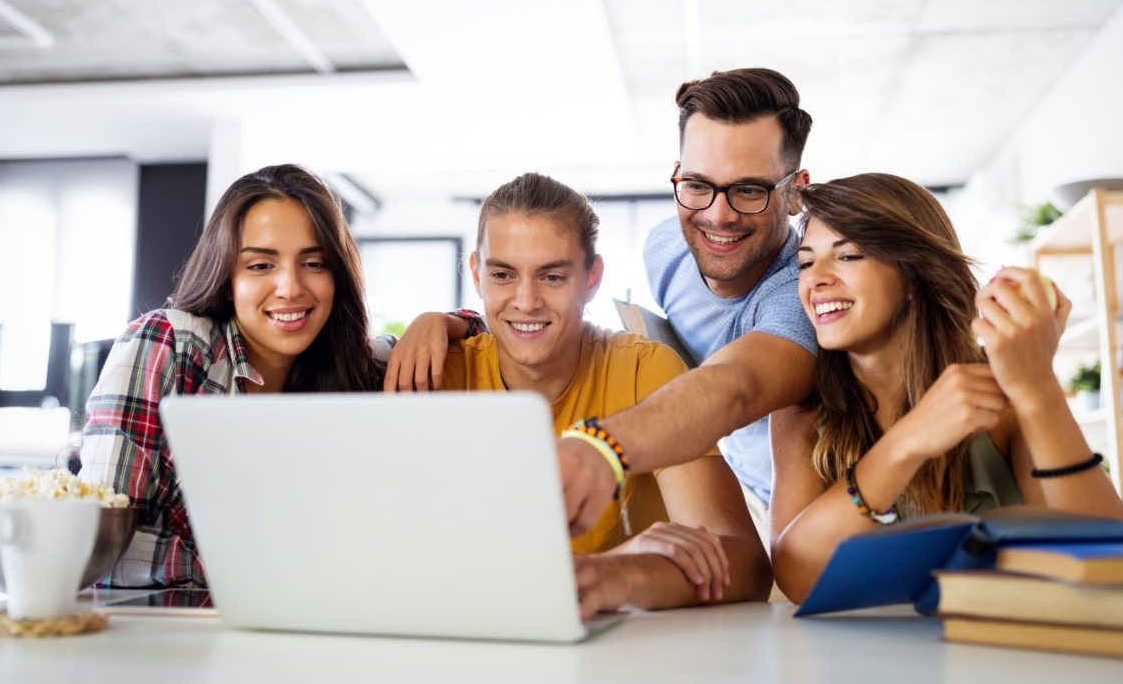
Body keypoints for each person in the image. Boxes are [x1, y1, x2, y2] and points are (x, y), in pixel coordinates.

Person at [79, 164, 462, 587]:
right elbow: (96, 549)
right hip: (164, 639)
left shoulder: (357, 367)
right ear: (227, 278)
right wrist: (264, 568)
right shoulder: (170, 344)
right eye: (261, 266)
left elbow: (499, 341)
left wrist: (441, 321)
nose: (291, 287)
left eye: (314, 263)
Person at [770, 173, 1123, 603]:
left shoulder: (1001, 400)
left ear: (914, 275)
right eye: (806, 262)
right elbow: (795, 577)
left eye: (848, 257)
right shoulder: (801, 411)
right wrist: (908, 441)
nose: (816, 279)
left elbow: (1109, 568)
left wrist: (1037, 387)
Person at [440, 173, 771, 618]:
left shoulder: (642, 369)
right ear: (478, 275)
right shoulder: (440, 375)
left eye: (553, 276)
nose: (526, 301)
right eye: (503, 274)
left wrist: (616, 575)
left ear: (591, 278)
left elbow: (746, 566)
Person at [558, 68, 818, 537]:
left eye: (749, 190)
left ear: (795, 191)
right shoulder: (666, 248)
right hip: (736, 485)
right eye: (697, 185)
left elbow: (737, 383)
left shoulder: (806, 291)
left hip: (817, 509)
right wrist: (464, 323)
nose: (718, 216)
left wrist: (601, 447)